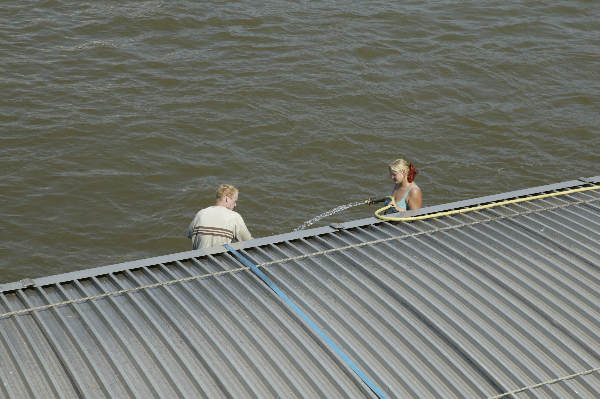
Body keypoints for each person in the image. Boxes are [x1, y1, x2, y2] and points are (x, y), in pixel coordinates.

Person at [187, 184, 253, 249]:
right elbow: (248, 241)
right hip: (219, 259)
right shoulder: (234, 216)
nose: (235, 205)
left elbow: (190, 235)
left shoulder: (201, 213)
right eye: (234, 201)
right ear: (227, 199)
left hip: (198, 259)